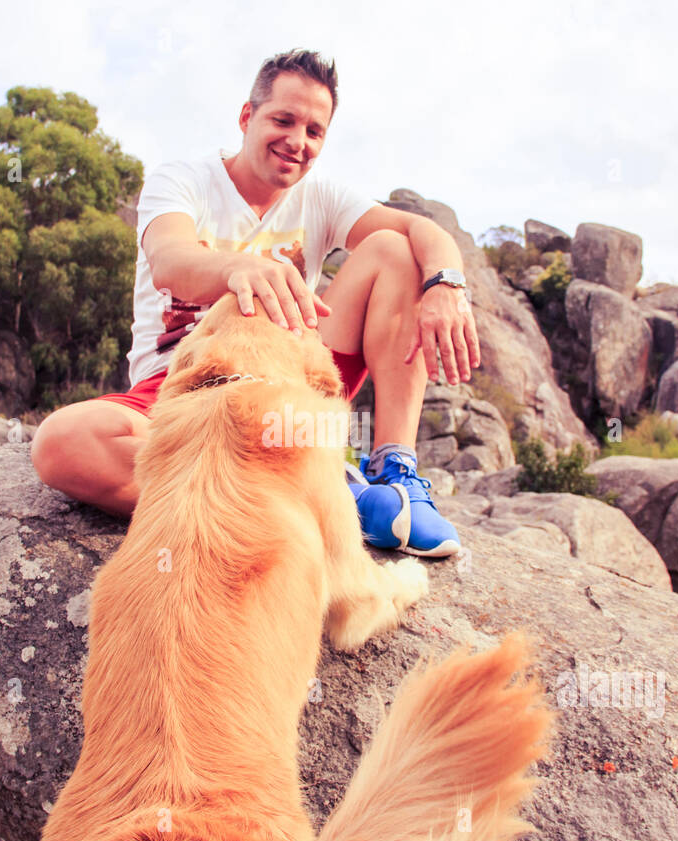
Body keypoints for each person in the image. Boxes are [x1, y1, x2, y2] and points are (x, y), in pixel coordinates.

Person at [32, 48, 480, 557]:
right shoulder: (182, 180)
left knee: (396, 252)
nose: (298, 142)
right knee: (62, 444)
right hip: (182, 389)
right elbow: (170, 259)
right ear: (247, 117)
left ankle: (395, 471)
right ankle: (310, 492)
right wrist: (236, 266)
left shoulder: (322, 196)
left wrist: (446, 284)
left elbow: (422, 229)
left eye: (314, 131)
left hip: (288, 386)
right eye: (283, 120)